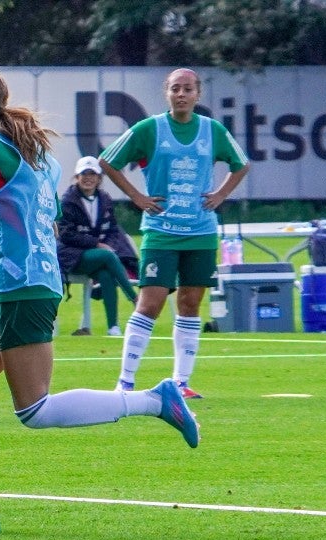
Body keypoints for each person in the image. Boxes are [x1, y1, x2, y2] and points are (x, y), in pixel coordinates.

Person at [0, 65, 200, 534]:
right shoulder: (33, 151)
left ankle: (155, 400)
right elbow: (36, 227)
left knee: (35, 410)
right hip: (20, 284)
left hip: (24, 288)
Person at [99, 68, 250, 400]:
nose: (181, 94)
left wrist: (221, 194)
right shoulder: (149, 129)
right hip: (161, 232)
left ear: (198, 95)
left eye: (188, 89)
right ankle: (124, 382)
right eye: (175, 89)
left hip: (200, 231)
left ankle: (181, 382)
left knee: (190, 303)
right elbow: (107, 161)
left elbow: (241, 164)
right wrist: (136, 197)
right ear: (166, 94)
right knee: (149, 303)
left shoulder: (212, 131)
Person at [57, 156, 139, 337]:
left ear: (99, 178)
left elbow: (112, 230)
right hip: (71, 257)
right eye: (84, 174)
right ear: (76, 177)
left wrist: (104, 244)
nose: (88, 178)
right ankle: (134, 298)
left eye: (92, 174)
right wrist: (97, 244)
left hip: (95, 256)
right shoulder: (68, 201)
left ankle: (113, 327)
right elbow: (66, 234)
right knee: (108, 256)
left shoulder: (104, 199)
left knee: (106, 273)